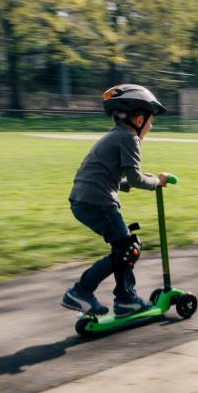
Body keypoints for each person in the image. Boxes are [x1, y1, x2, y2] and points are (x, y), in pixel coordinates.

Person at [61, 84, 171, 317]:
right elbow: (134, 177)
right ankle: (82, 292)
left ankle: (126, 299)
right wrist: (157, 182)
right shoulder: (130, 138)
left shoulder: (114, 136)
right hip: (98, 202)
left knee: (124, 247)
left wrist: (137, 181)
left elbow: (113, 177)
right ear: (139, 119)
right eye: (151, 121)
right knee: (127, 249)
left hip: (83, 199)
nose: (151, 127)